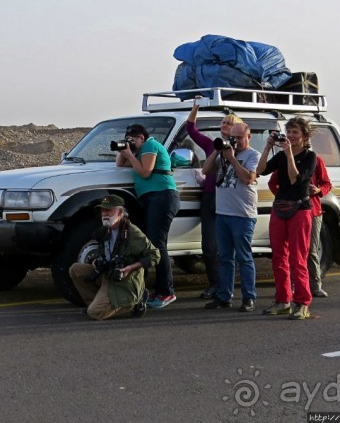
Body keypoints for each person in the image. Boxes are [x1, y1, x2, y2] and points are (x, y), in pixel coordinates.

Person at [257, 117, 318, 320]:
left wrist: (289, 153)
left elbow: (294, 178)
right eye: (289, 132)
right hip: (280, 207)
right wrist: (267, 148)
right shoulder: (281, 155)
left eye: (295, 133)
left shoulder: (310, 156)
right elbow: (259, 170)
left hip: (299, 209)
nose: (291, 136)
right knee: (278, 257)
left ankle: (302, 302)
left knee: (297, 258)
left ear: (305, 136)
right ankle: (283, 300)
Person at [116, 123, 180, 308]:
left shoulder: (151, 145)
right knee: (150, 244)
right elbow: (119, 164)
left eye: (134, 139)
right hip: (152, 198)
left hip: (162, 196)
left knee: (158, 245)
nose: (132, 142)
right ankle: (157, 289)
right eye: (129, 139)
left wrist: (130, 154)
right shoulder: (138, 152)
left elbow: (145, 172)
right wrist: (124, 150)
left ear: (142, 137)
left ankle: (166, 292)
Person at [186, 95, 244, 299]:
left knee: (230, 244)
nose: (225, 125)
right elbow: (191, 129)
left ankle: (229, 285)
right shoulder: (212, 145)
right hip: (211, 197)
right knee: (209, 245)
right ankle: (215, 284)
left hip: (232, 197)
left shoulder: (241, 148)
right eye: (223, 122)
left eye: (230, 123)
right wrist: (196, 107)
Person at [68, 195, 159, 320]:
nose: (104, 214)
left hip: (123, 280)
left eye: (109, 210)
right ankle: (94, 303)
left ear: (120, 212)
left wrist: (130, 268)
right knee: (75, 269)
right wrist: (97, 261)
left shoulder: (132, 233)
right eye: (103, 210)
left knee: (94, 313)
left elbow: (155, 255)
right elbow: (103, 251)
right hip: (108, 274)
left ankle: (134, 305)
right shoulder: (105, 230)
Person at [201, 122, 261, 312]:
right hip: (223, 213)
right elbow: (205, 170)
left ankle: (249, 297)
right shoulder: (225, 154)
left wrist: (233, 159)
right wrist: (217, 151)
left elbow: (248, 178)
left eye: (239, 137)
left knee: (244, 257)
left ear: (248, 137)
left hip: (242, 214)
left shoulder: (254, 155)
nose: (235, 140)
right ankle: (224, 296)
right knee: (225, 257)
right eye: (232, 137)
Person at [269, 155, 332, 297]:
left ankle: (315, 285)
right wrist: (284, 198)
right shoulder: (283, 160)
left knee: (311, 250)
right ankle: (291, 286)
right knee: (292, 251)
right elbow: (273, 182)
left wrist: (318, 190)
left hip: (313, 210)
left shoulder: (315, 160)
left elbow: (326, 183)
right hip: (293, 211)